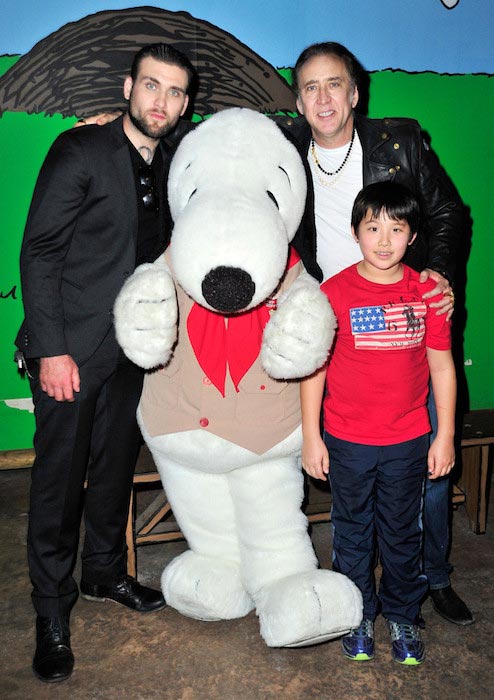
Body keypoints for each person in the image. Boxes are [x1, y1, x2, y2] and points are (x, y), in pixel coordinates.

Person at [15, 43, 195, 683]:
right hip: (71, 347)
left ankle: (102, 574)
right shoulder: (80, 151)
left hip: (133, 348)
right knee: (58, 483)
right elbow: (37, 254)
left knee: (115, 464)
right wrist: (51, 349)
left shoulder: (175, 153)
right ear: (127, 87)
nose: (162, 102)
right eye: (151, 86)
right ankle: (50, 607)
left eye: (175, 92)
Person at [281, 41, 473, 627]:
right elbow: (217, 150)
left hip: (408, 319)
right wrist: (126, 131)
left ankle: (430, 579)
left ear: (355, 92)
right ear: (298, 100)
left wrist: (436, 270)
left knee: (426, 466)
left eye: (333, 84)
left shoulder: (400, 143)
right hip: (333, 319)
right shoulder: (282, 150)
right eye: (310, 87)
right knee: (353, 477)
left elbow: (449, 213)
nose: (323, 97)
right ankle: (355, 599)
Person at [301, 181, 456, 664]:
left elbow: (441, 365)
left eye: (396, 228)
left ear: (412, 237)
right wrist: (312, 437)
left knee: (401, 531)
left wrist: (444, 433)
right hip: (347, 440)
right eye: (373, 227)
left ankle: (404, 615)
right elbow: (315, 368)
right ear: (354, 232)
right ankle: (358, 613)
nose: (384, 240)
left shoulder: (428, 291)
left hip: (409, 439)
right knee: (351, 531)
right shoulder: (334, 293)